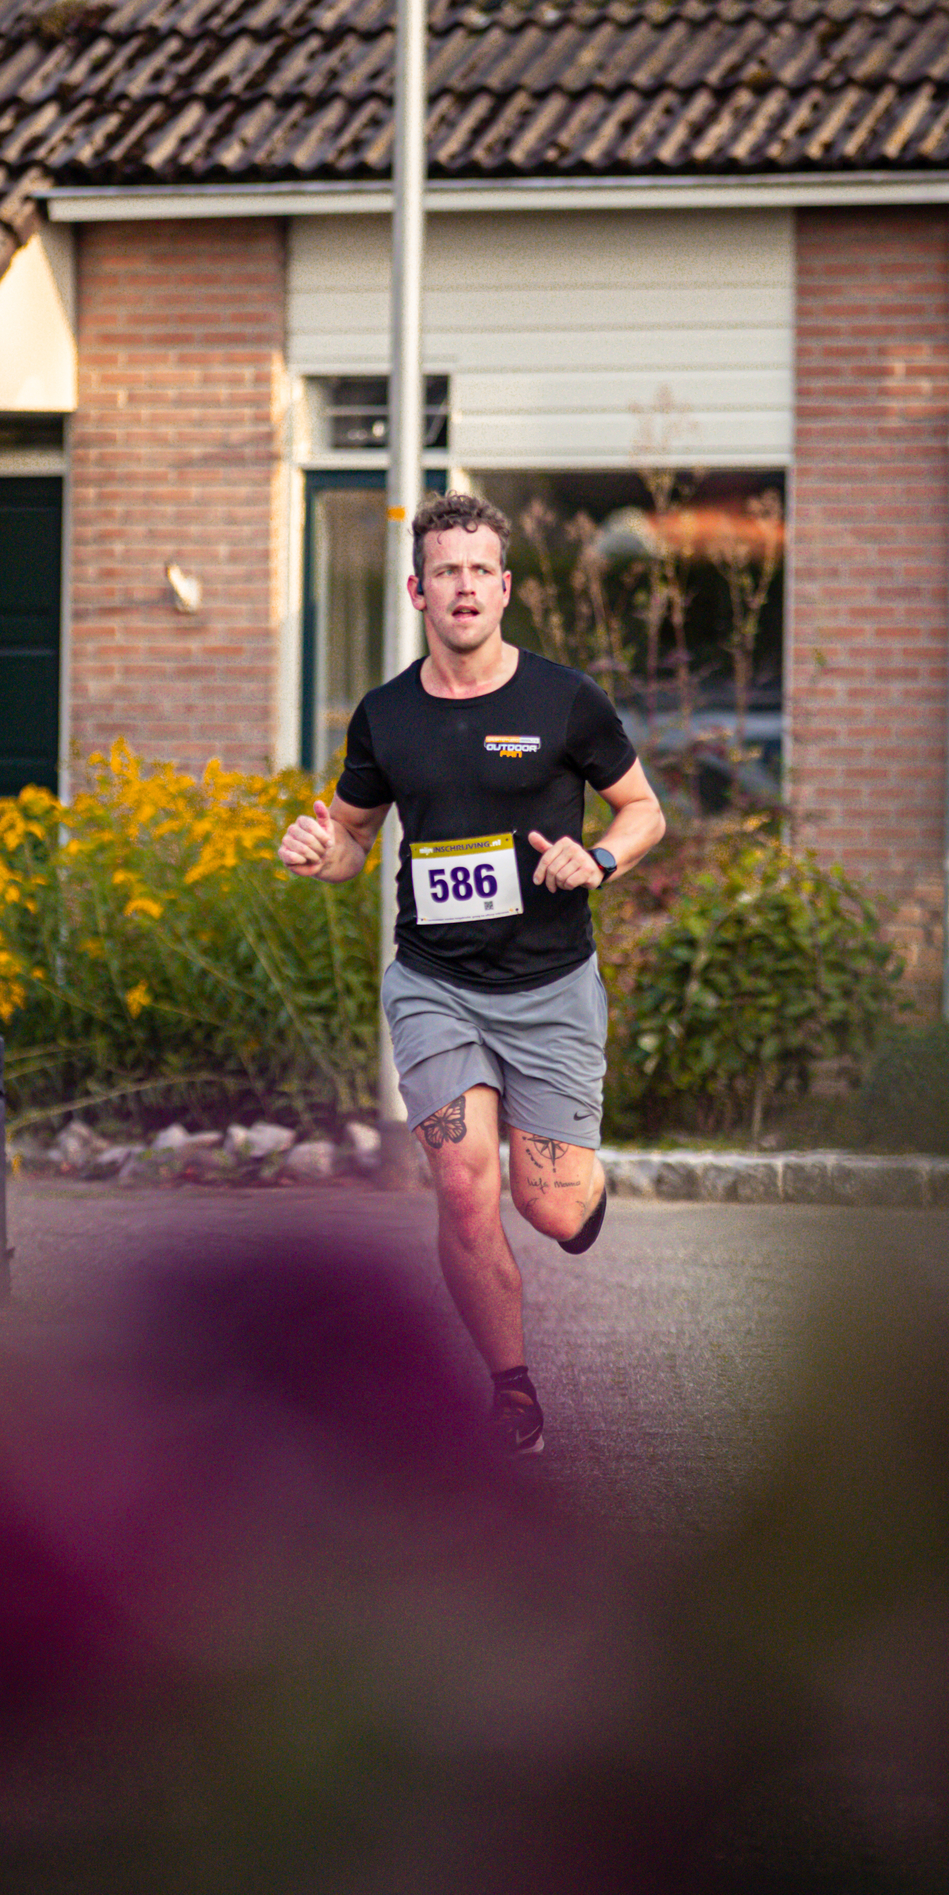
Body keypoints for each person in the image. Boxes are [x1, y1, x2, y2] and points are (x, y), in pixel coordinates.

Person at [278, 489, 665, 1453]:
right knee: (461, 1184)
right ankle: (512, 1390)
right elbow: (354, 839)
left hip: (550, 988)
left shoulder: (564, 700)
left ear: (504, 589)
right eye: (443, 570)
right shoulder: (387, 717)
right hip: (434, 985)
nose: (462, 586)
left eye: (478, 571)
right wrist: (317, 851)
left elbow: (643, 810)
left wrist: (600, 859)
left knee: (553, 1206)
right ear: (417, 588)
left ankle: (579, 1197)